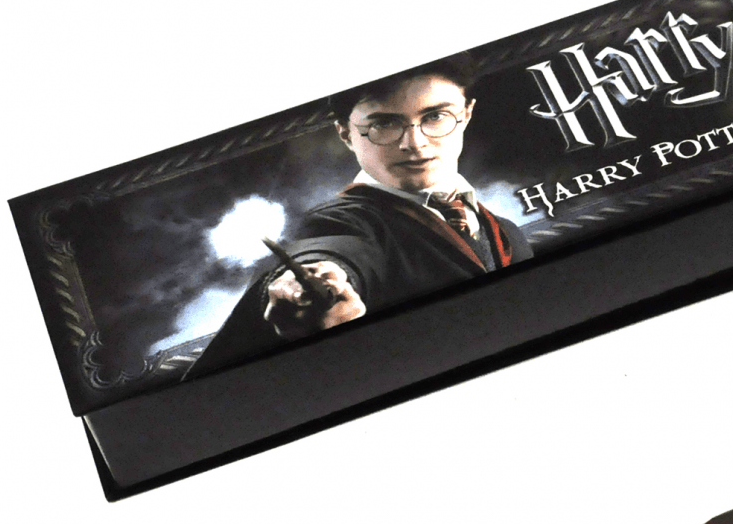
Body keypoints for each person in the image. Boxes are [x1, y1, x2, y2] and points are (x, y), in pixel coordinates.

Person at [187, 59, 532, 376]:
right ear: (345, 133)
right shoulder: (339, 220)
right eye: (384, 123)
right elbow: (330, 248)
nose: (415, 143)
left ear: (466, 115)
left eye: (435, 116)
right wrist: (314, 283)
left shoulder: (508, 234)